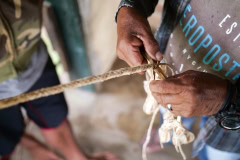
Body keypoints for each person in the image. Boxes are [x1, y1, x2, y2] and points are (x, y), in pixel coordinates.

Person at [115, 0, 240, 159]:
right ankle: (171, 133)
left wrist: (228, 99)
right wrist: (130, 8)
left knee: (217, 155)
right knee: (170, 110)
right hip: (172, 62)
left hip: (234, 125)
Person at [0, 1, 119, 160]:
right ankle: (30, 144)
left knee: (55, 118)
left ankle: (78, 157)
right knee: (5, 143)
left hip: (33, 58)